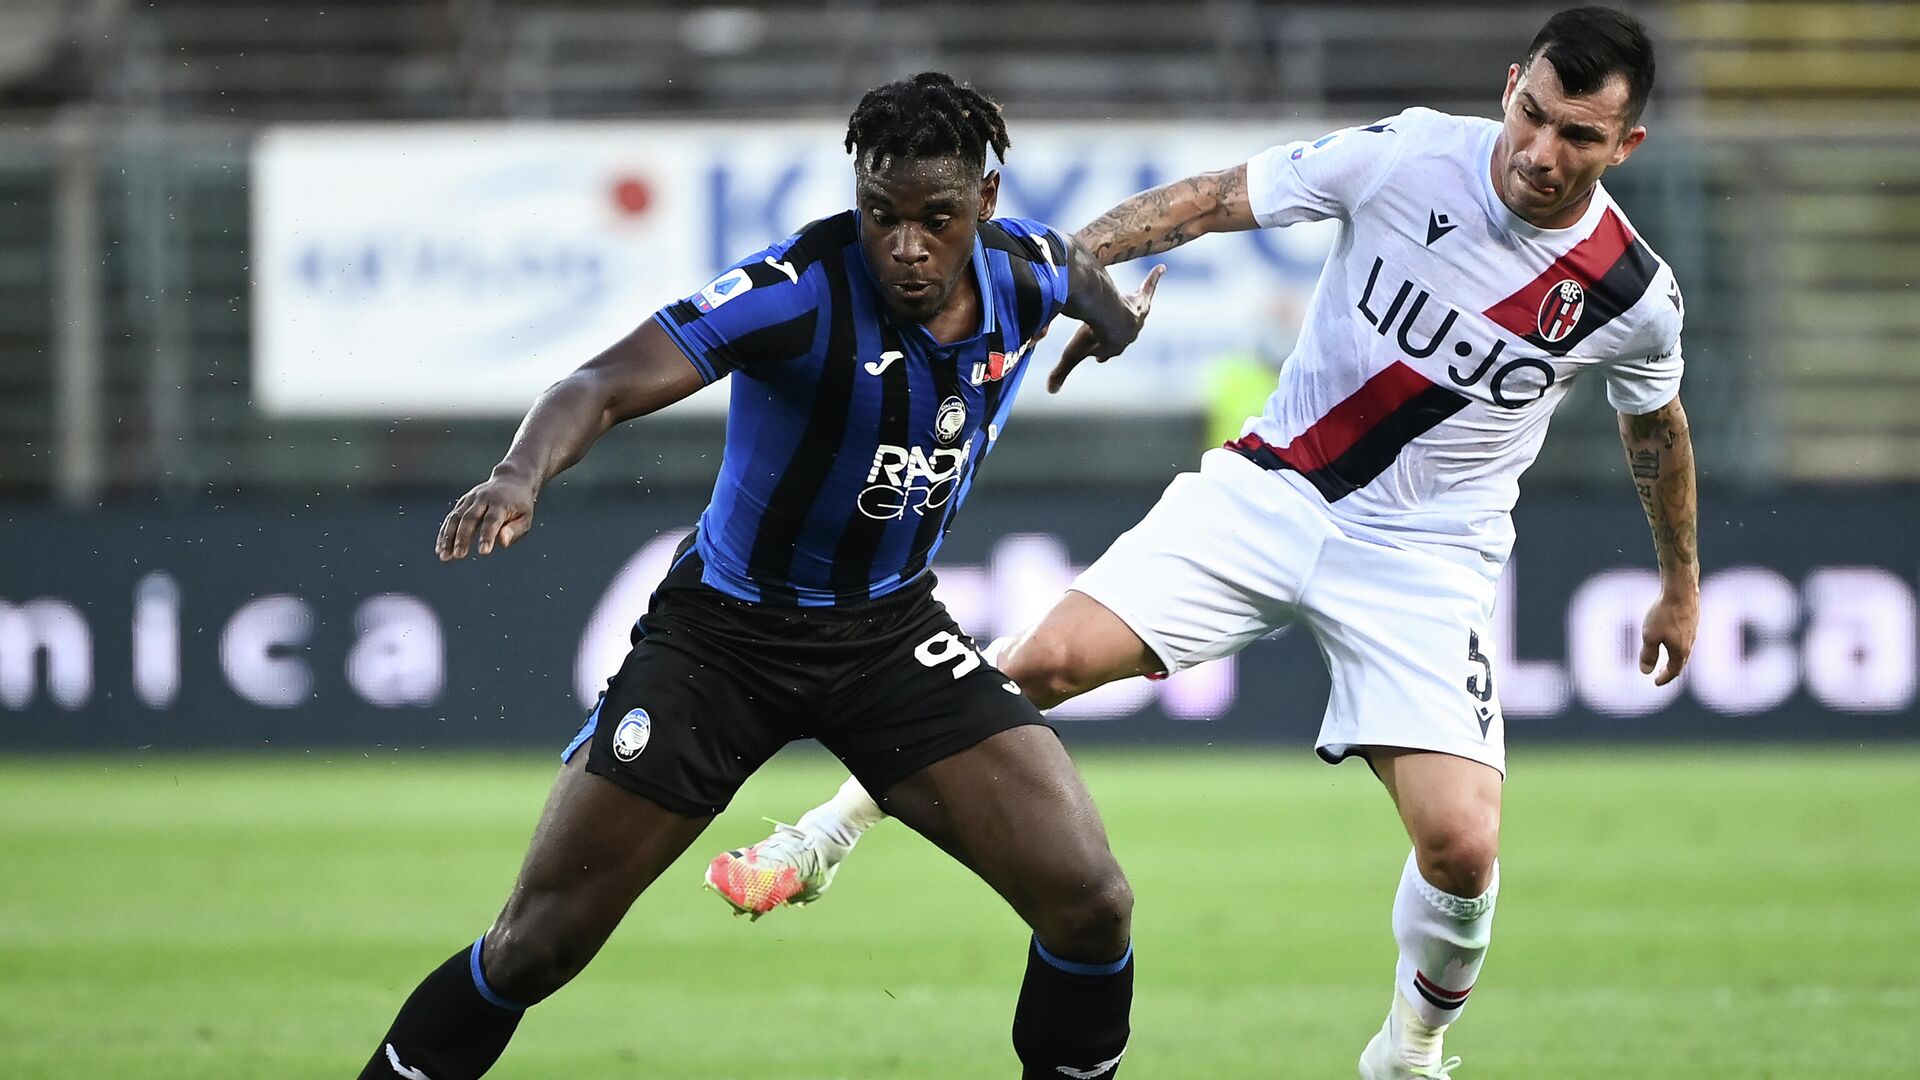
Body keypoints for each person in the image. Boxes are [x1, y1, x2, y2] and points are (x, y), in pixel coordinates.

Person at [704, 9, 1699, 1079]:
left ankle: (1412, 1053)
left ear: (1624, 146)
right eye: (1532, 115)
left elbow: (1656, 424)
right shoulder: (1411, 153)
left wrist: (1680, 585)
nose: (1541, 153)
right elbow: (1216, 198)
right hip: (1270, 492)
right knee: (1040, 661)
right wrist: (1064, 281)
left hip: (1425, 558)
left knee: (1462, 849)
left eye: (1579, 138)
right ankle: (821, 838)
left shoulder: (1632, 295)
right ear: (1512, 85)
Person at [357, 72, 1165, 1080]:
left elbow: (1083, 274)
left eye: (937, 219)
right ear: (857, 199)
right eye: (882, 215)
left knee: (1092, 903)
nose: (906, 245)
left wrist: (1115, 326)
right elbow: (599, 384)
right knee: (536, 945)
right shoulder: (795, 292)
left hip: (887, 638)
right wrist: (519, 474)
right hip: (722, 644)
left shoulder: (1029, 270)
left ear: (985, 205)